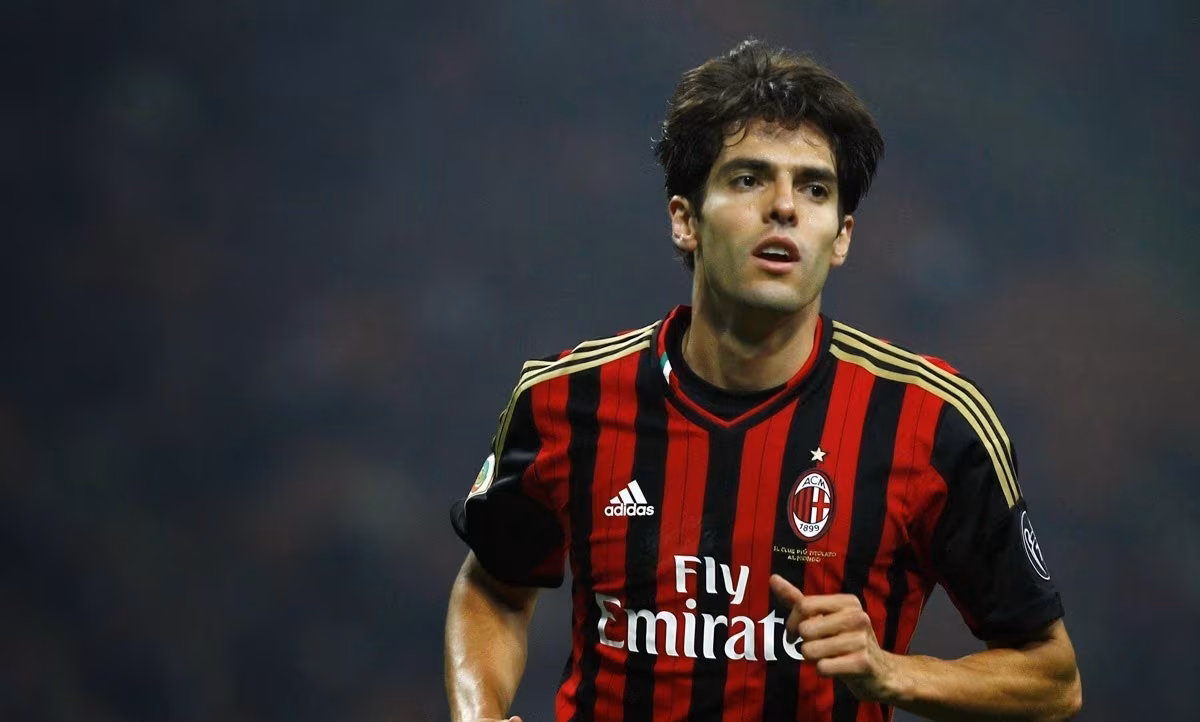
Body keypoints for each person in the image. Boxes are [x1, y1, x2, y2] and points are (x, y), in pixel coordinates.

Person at [444, 39, 1082, 722]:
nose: (784, 207)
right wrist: (479, 716)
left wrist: (892, 672)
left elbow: (1052, 680)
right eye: (749, 179)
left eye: (815, 189)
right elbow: (493, 590)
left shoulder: (932, 423)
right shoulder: (566, 399)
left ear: (841, 236)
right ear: (684, 219)